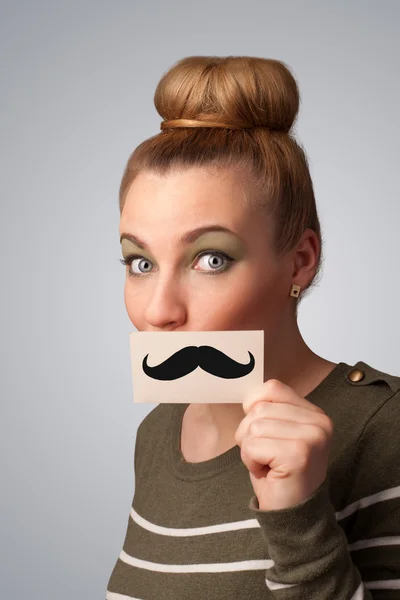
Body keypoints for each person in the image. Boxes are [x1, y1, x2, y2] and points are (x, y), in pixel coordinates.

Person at [105, 56, 400, 600]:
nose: (160, 311)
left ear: (300, 261)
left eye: (210, 259)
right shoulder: (156, 436)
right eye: (140, 263)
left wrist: (297, 519)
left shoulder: (385, 429)